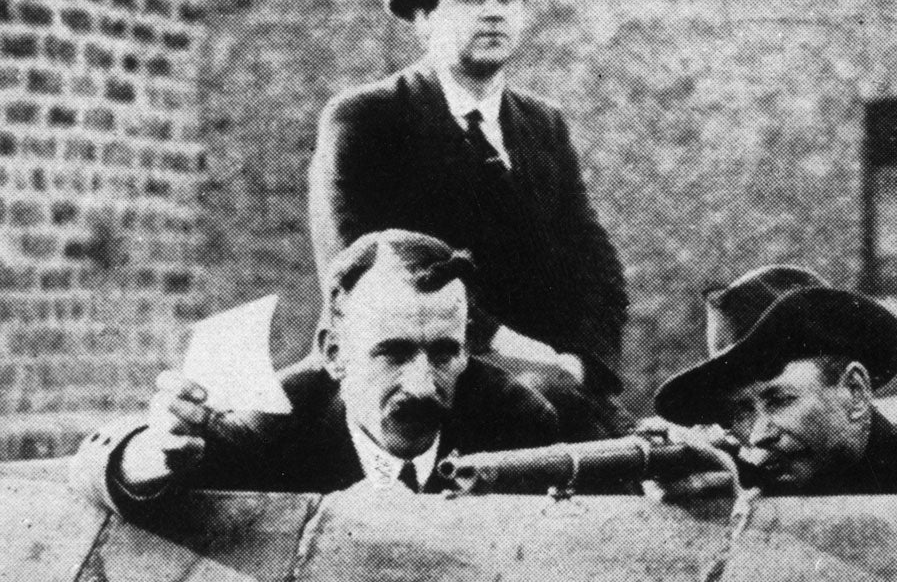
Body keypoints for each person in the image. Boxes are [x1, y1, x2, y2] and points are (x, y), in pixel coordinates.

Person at [307, 0, 628, 438]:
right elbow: (361, 273)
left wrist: (586, 363)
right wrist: (517, 351)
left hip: (556, 391)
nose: (494, 11)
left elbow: (594, 259)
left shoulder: (541, 123)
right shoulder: (368, 118)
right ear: (424, 17)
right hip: (421, 393)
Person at [73, 231, 562, 511]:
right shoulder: (277, 420)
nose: (421, 383)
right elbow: (97, 473)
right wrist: (149, 454)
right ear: (333, 353)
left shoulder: (517, 420)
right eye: (391, 353)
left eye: (442, 353)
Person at [652, 268, 897, 496]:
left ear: (855, 392)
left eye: (780, 400)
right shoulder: (740, 483)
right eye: (739, 413)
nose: (758, 434)